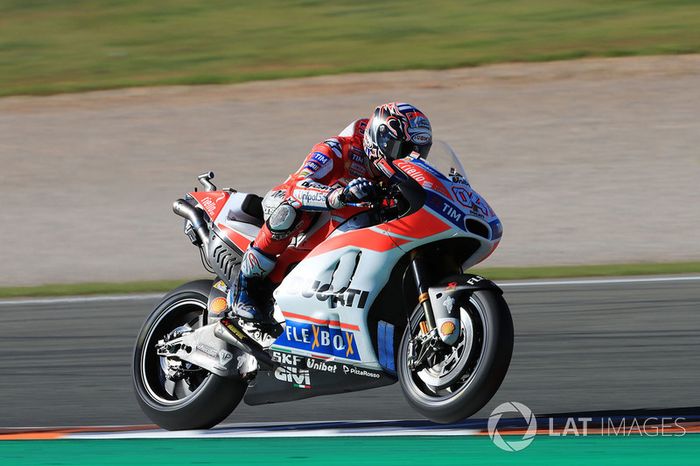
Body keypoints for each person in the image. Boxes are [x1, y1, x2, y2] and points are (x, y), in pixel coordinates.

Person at [227, 102, 433, 324]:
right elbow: (298, 186)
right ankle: (245, 286)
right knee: (289, 210)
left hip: (346, 227)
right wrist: (341, 195)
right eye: (402, 151)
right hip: (299, 208)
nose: (409, 160)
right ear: (381, 139)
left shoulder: (398, 175)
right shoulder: (338, 148)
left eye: (418, 154)